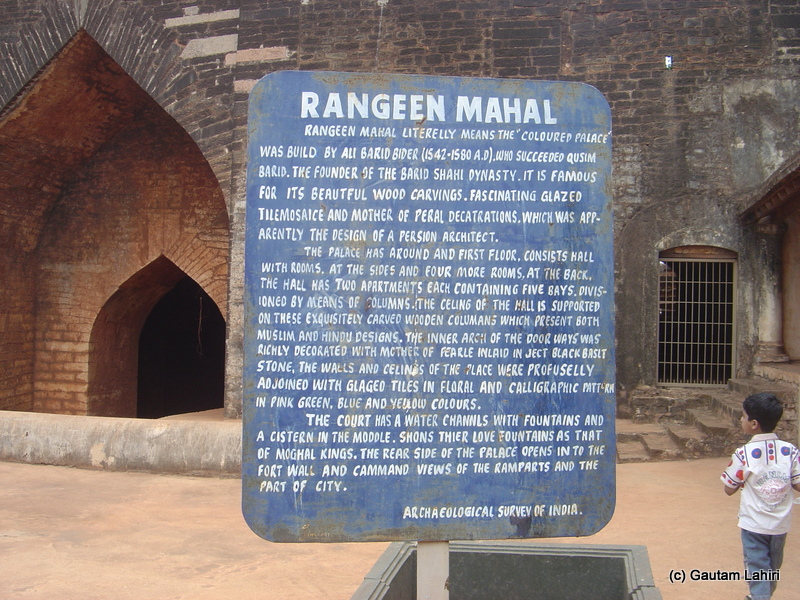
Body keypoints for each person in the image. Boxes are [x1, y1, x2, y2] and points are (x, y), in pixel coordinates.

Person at [721, 392, 800, 600]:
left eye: (743, 416)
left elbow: (729, 488)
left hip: (754, 524)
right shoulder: (790, 451)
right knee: (772, 569)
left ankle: (758, 597)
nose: (741, 419)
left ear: (754, 423)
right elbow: (799, 483)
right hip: (780, 525)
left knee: (757, 569)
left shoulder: (744, 453)